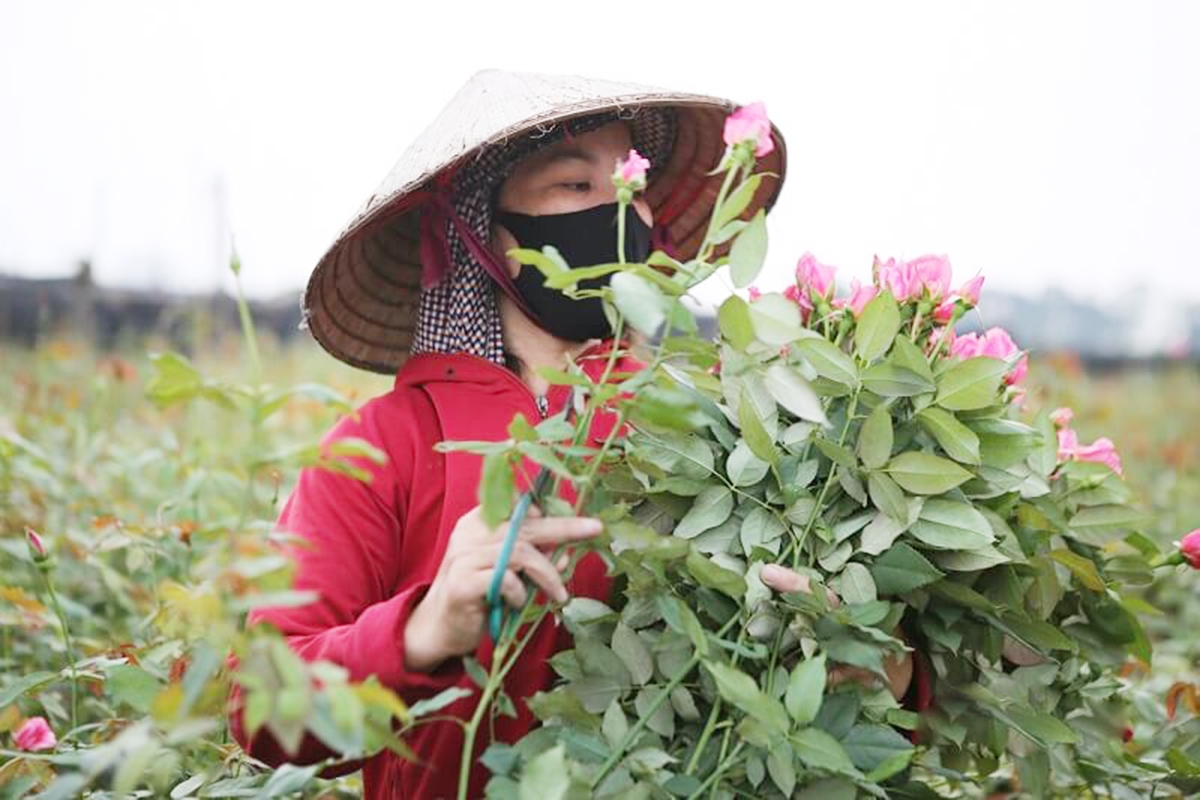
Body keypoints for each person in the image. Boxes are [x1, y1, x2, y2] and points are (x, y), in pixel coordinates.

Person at [228, 69, 911, 800]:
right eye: (576, 187)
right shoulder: (387, 444)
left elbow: (896, 691)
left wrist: (876, 664)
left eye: (633, 188)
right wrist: (422, 630)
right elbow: (264, 711)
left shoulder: (706, 427)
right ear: (477, 229)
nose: (624, 212)